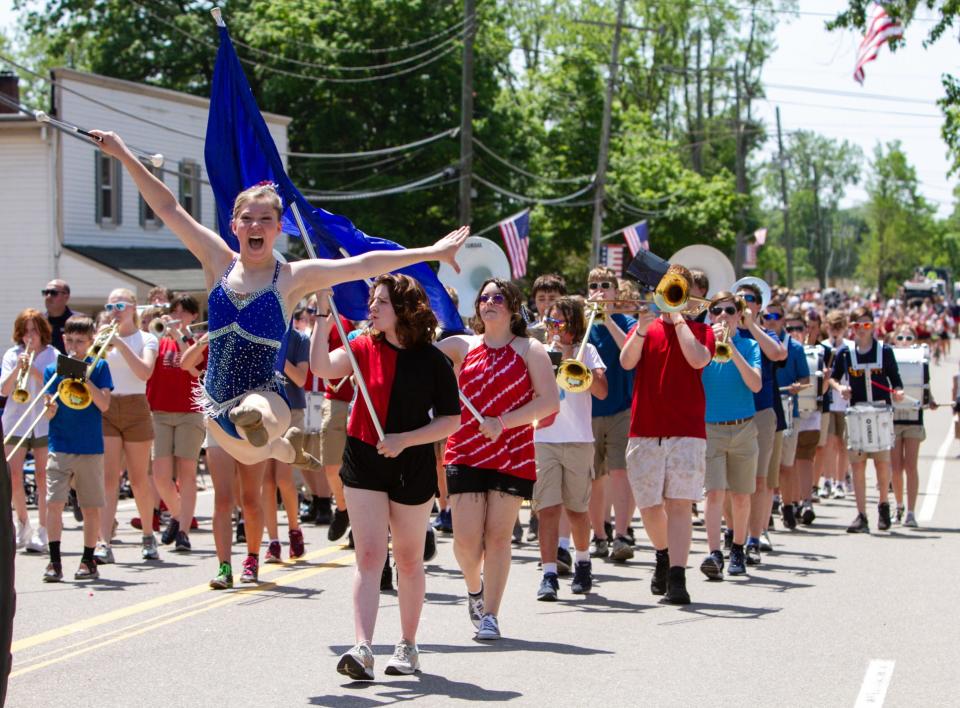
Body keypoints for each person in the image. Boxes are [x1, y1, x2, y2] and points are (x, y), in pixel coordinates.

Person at [92, 130, 468, 469]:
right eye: (247, 218)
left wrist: (429, 251)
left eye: (265, 219)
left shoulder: (291, 277)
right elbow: (168, 208)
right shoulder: (217, 260)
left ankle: (261, 426)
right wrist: (123, 153)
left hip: (265, 391)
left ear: (276, 227)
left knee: (258, 415)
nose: (256, 226)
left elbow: (361, 263)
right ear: (234, 225)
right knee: (250, 450)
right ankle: (282, 450)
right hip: (214, 400)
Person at [311, 274, 461, 680]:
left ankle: (408, 645)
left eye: (381, 302)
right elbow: (323, 367)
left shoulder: (432, 360)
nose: (372, 308)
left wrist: (407, 440)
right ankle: (362, 648)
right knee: (369, 555)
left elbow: (451, 419)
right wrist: (323, 313)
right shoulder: (363, 345)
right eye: (372, 301)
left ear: (404, 311)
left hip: (411, 465)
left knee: (410, 560)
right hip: (363, 458)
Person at [437, 278, 559, 640]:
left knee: (498, 537)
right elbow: (418, 354)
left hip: (512, 451)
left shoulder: (529, 349)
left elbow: (549, 401)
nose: (489, 302)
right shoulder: (462, 345)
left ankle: (490, 613)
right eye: (484, 298)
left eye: (498, 298)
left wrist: (502, 422)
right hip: (465, 449)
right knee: (465, 541)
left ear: (512, 306)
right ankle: (474, 589)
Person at [620, 265, 715, 605]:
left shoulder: (701, 330)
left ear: (688, 294)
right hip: (645, 428)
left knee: (679, 503)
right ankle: (662, 553)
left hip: (686, 429)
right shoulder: (644, 327)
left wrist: (678, 320)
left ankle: (677, 575)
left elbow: (697, 360)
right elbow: (626, 362)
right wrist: (643, 330)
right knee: (648, 505)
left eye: (678, 289)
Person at [533, 297, 607, 600]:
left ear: (573, 324)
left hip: (578, 439)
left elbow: (602, 392)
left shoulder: (587, 350)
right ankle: (549, 573)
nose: (553, 328)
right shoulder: (539, 352)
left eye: (559, 322)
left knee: (577, 510)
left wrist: (576, 365)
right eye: (550, 322)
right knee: (547, 509)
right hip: (544, 437)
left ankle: (583, 562)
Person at [41, 315, 113, 582]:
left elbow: (105, 404)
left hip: (90, 447)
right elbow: (48, 413)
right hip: (59, 445)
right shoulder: (52, 370)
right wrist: (49, 408)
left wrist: (83, 376)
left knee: (91, 506)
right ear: (63, 340)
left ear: (91, 342)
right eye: (70, 341)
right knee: (54, 503)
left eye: (80, 342)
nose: (74, 347)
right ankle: (54, 561)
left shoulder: (100, 366)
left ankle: (87, 559)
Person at [93, 289, 160, 564]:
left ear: (133, 308)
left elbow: (145, 372)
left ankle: (147, 534)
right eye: (110, 305)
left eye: (120, 305)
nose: (115, 310)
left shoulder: (147, 338)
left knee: (138, 479)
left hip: (135, 407)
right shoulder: (103, 338)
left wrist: (120, 345)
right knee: (108, 479)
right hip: (108, 407)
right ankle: (103, 541)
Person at [699, 293, 761, 579]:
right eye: (716, 311)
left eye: (729, 311)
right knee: (714, 493)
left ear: (739, 315)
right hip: (710, 427)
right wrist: (710, 343)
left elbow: (756, 384)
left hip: (743, 427)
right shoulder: (702, 346)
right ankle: (713, 553)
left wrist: (732, 349)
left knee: (740, 495)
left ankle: (738, 546)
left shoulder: (748, 345)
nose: (722, 316)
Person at [830, 306, 904, 533]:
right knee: (858, 465)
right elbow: (833, 379)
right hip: (856, 413)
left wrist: (898, 392)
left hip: (880, 412)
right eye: (857, 325)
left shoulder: (885, 351)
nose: (862, 329)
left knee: (882, 464)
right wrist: (841, 387)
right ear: (851, 328)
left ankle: (883, 504)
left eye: (866, 325)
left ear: (873, 326)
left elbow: (896, 380)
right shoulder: (845, 354)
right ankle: (861, 514)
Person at [147, 293, 205, 553]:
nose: (178, 317)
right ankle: (178, 515)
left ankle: (182, 531)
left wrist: (180, 336)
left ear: (193, 316)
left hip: (189, 412)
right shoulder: (157, 341)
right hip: (159, 411)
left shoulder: (197, 341)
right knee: (160, 476)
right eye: (175, 311)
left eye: (184, 312)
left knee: (187, 473)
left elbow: (192, 368)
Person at [734, 282, 787, 566]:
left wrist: (752, 325)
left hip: (761, 412)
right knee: (732, 484)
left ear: (759, 305)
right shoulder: (724, 332)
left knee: (759, 480)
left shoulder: (764, 332)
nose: (744, 302)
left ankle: (756, 535)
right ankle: (735, 535)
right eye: (739, 298)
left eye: (750, 299)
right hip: (730, 411)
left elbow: (778, 354)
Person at [585, 267, 636, 562]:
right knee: (594, 476)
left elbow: (629, 355)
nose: (600, 290)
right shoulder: (583, 323)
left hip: (621, 408)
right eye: (594, 285)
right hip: (589, 410)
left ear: (616, 292)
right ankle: (599, 535)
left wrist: (607, 320)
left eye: (606, 285)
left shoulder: (626, 321)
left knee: (619, 472)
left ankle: (621, 535)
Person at [1, 310, 59, 552]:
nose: (29, 336)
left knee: (43, 476)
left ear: (42, 331)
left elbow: (56, 384)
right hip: (17, 419)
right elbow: (4, 390)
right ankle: (22, 524)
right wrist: (18, 368)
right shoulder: (12, 354)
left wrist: (33, 366)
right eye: (25, 330)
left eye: (34, 330)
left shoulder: (52, 354)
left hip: (44, 420)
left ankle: (43, 530)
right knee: (12, 475)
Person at [261, 321, 311, 562]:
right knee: (267, 481)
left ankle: (294, 529)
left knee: (283, 477)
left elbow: (301, 379)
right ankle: (272, 542)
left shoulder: (299, 339)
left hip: (292, 412)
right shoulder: (259, 331)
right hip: (264, 411)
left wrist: (279, 355)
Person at [890, 324, 934, 528]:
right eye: (901, 337)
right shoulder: (890, 359)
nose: (905, 341)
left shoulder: (919, 360)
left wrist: (930, 400)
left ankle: (911, 511)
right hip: (893, 419)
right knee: (896, 467)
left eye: (909, 338)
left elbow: (924, 387)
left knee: (911, 466)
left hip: (914, 419)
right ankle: (898, 505)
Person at [42, 279, 72, 354]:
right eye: (46, 292)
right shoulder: (39, 322)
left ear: (66, 296)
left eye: (53, 293)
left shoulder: (78, 321)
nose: (48, 297)